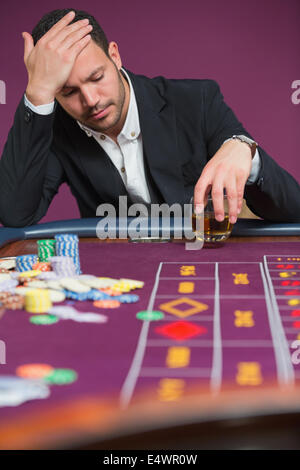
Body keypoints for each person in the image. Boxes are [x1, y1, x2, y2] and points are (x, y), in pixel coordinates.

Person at [0, 8, 299, 228]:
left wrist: (247, 152)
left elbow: (294, 210)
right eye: (68, 92)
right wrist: (38, 94)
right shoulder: (55, 129)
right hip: (117, 274)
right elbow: (14, 214)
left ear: (114, 56)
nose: (90, 100)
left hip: (204, 261)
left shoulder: (197, 101)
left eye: (96, 77)